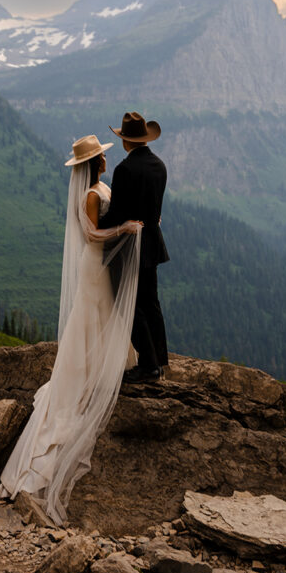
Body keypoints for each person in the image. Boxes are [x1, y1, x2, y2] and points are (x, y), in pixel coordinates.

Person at [0, 134, 142, 525]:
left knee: (97, 318)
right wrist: (124, 229)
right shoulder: (91, 196)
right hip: (95, 265)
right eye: (101, 158)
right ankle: (88, 376)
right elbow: (92, 234)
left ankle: (95, 366)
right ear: (95, 164)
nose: (106, 161)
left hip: (100, 267)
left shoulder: (100, 188)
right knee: (91, 318)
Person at [98, 111, 169, 383]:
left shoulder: (125, 170)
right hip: (153, 241)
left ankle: (148, 365)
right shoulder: (159, 165)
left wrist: (95, 222)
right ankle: (159, 361)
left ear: (127, 141)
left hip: (131, 245)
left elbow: (117, 215)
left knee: (129, 305)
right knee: (151, 302)